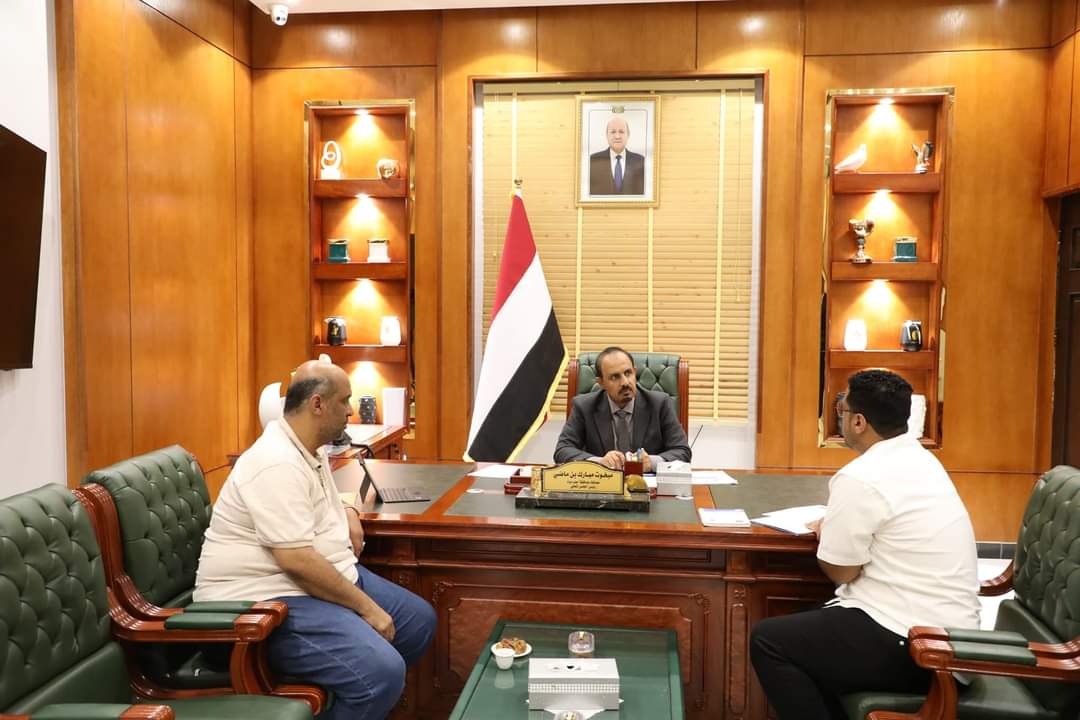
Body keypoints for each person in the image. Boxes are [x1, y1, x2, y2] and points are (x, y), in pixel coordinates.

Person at [194, 360, 435, 720]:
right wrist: (368, 609)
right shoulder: (275, 462)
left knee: (417, 623)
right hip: (261, 601)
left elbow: (315, 503)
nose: (351, 410)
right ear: (318, 404)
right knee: (381, 674)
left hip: (309, 581)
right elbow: (296, 561)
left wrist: (348, 509)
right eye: (345, 400)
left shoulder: (308, 448)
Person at [749, 369, 979, 720]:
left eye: (841, 409)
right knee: (806, 626)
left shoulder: (861, 476)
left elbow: (842, 571)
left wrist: (829, 533)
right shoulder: (923, 459)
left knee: (768, 640)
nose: (839, 417)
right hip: (947, 633)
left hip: (917, 646)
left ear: (858, 421)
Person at [554, 347, 691, 471]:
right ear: (601, 383)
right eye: (615, 377)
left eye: (628, 373)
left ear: (635, 372)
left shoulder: (659, 404)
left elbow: (682, 451)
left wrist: (652, 462)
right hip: (604, 485)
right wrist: (599, 462)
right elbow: (562, 451)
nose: (625, 382)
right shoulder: (584, 406)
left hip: (647, 485)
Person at [588, 115, 645, 195]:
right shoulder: (593, 161)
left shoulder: (641, 161)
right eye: (613, 132)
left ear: (628, 135)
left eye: (621, 132)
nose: (617, 136)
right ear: (607, 135)